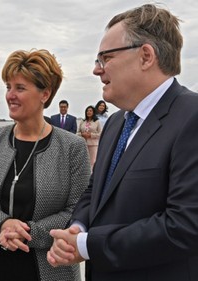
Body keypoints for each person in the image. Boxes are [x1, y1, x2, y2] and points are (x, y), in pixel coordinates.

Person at [47, 4, 198, 281]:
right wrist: (78, 227)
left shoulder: (192, 117)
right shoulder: (117, 122)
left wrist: (86, 245)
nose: (96, 69)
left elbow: (185, 226)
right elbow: (96, 191)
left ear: (145, 56)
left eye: (105, 58)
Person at [0, 49, 91, 281]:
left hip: (50, 267)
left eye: (20, 88)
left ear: (45, 94)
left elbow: (77, 210)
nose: (10, 95)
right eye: (8, 87)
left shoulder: (72, 147)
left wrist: (27, 233)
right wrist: (2, 225)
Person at [77, 105, 102, 169]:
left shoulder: (97, 122)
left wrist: (91, 135)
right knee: (82, 161)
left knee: (92, 162)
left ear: (93, 112)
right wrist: (82, 134)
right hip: (83, 144)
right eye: (87, 111)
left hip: (93, 145)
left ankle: (91, 176)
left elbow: (100, 134)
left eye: (90, 111)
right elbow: (77, 133)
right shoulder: (82, 121)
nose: (89, 112)